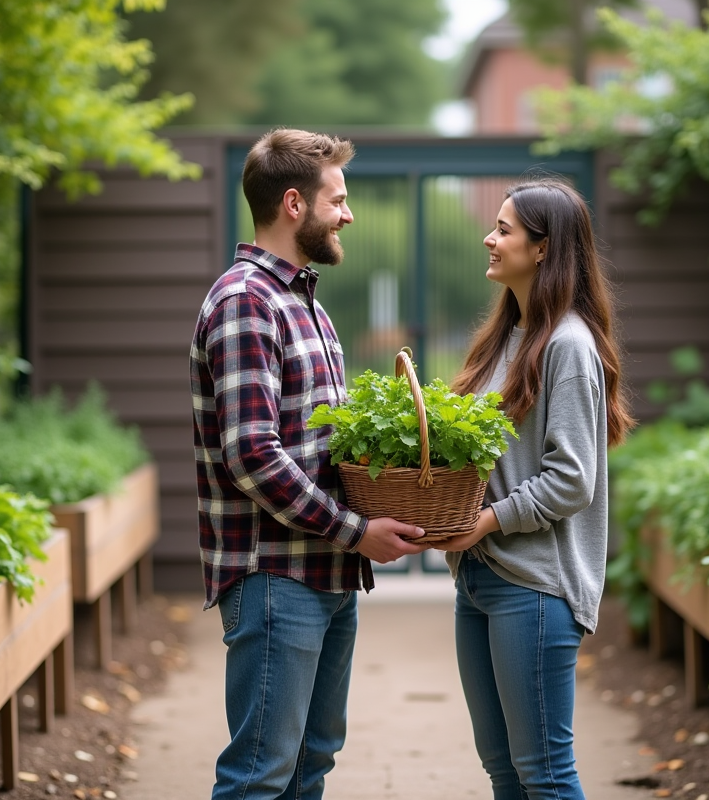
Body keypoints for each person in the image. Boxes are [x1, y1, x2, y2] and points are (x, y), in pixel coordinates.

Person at [189, 127, 428, 800]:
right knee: (260, 775)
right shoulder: (246, 300)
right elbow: (253, 454)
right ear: (295, 204)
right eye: (339, 199)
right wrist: (356, 531)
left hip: (325, 574)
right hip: (276, 577)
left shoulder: (304, 303)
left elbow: (317, 447)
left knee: (309, 765)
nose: (348, 213)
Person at [432, 177, 634, 799]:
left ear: (543, 249)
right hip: (480, 575)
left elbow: (573, 479)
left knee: (544, 772)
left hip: (536, 586)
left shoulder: (568, 346)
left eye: (504, 230)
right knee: (505, 769)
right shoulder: (509, 335)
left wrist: (488, 520)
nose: (489, 239)